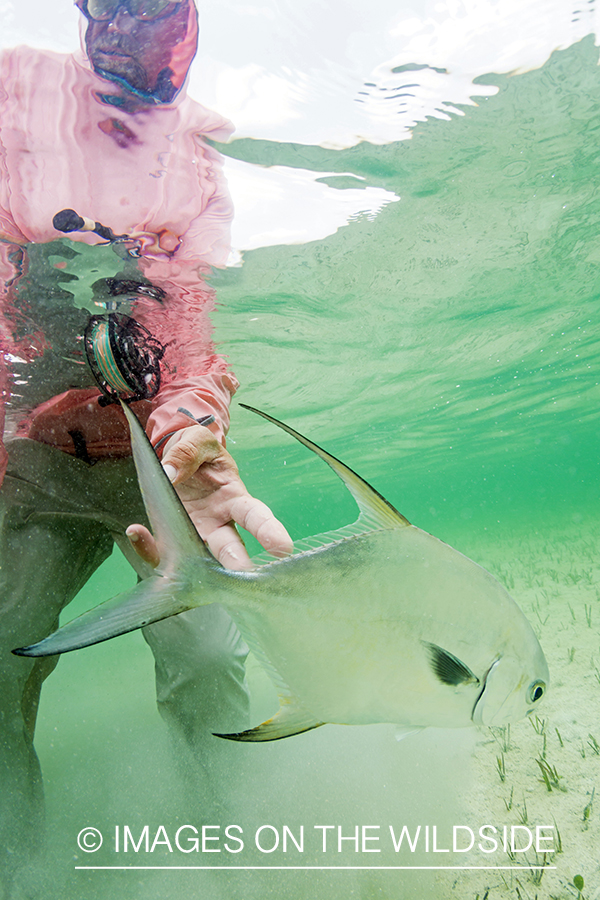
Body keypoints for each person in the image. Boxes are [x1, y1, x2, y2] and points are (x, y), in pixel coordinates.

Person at [0, 0, 292, 892]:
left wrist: (193, 432)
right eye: (104, 4)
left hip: (151, 470)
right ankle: (13, 857)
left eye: (152, 6)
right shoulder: (16, 92)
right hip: (31, 465)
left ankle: (224, 849)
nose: (122, 24)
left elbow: (191, 351)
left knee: (206, 655)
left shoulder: (199, 169)